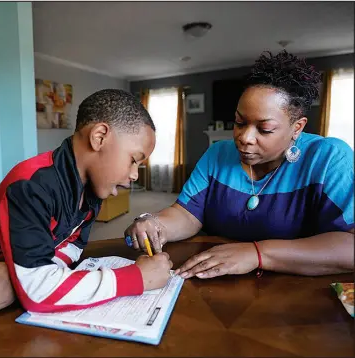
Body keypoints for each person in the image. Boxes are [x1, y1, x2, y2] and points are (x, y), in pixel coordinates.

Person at [0, 89, 173, 315]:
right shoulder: (31, 185)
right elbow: (38, 294)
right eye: (133, 160)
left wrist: (17, 274)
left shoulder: (91, 189)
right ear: (99, 137)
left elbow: (72, 246)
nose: (134, 175)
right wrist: (138, 277)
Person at [125, 50, 354, 279]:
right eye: (239, 122)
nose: (245, 137)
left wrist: (257, 253)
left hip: (293, 294)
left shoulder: (329, 158)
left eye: (264, 129)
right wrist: (155, 224)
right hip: (213, 284)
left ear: (297, 127)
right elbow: (186, 214)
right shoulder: (217, 154)